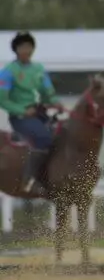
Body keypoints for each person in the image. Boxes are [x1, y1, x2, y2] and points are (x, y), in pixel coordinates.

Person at [0, 31, 63, 196]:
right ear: (16, 49)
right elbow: (3, 100)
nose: (26, 50)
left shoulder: (39, 69)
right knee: (43, 138)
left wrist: (55, 101)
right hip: (21, 118)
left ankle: (55, 178)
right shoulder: (8, 71)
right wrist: (23, 111)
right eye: (22, 46)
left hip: (40, 113)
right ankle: (28, 181)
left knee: (62, 134)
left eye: (29, 46)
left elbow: (47, 91)